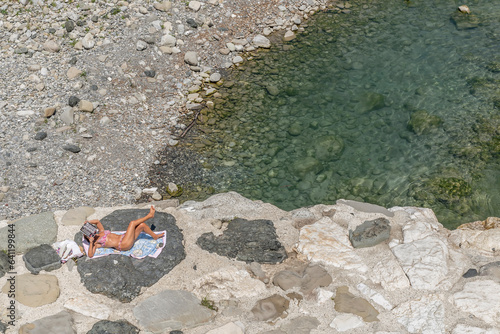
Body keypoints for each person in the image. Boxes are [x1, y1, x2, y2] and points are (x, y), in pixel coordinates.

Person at [84, 206, 164, 258]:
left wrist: (88, 222)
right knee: (132, 223)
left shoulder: (100, 232)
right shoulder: (95, 244)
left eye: (89, 232)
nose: (91, 235)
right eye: (88, 235)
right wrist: (91, 243)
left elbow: (97, 222)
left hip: (124, 237)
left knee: (142, 225)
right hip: (123, 244)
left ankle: (155, 236)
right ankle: (150, 216)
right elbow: (90, 255)